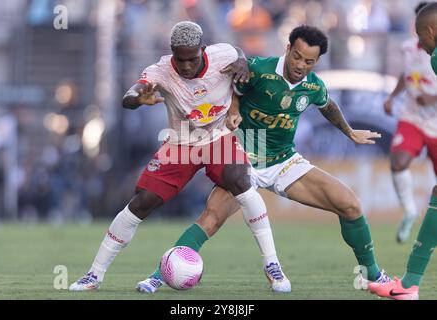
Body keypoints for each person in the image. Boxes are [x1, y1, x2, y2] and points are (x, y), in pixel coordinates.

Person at [137, 25, 390, 294]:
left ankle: (370, 274)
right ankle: (158, 275)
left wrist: (349, 132)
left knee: (350, 205)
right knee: (211, 218)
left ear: (316, 62)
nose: (300, 65)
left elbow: (327, 105)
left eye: (309, 61)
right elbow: (232, 90)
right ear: (288, 49)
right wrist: (234, 111)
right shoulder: (259, 68)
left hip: (283, 161)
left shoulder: (313, 86)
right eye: (297, 56)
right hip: (242, 158)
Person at [69, 21, 291, 292]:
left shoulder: (222, 55)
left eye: (191, 58)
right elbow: (131, 94)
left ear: (203, 50)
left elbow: (236, 51)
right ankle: (94, 274)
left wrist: (243, 61)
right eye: (180, 58)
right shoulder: (161, 70)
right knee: (141, 203)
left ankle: (272, 265)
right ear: (172, 52)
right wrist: (138, 99)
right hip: (181, 143)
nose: (185, 66)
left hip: (218, 138)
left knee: (240, 181)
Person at [368, 2, 437, 300]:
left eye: (424, 34)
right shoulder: (419, 54)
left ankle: (409, 285)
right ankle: (409, 284)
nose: (421, 41)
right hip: (415, 121)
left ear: (432, 30)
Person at [383, 1, 437, 243]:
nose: (416, 32)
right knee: (398, 160)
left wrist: (433, 97)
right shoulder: (409, 48)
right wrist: (393, 97)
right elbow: (406, 75)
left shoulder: (433, 54)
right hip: (412, 117)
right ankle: (409, 211)